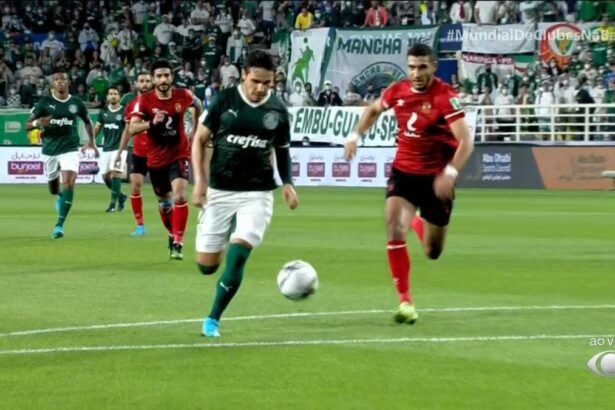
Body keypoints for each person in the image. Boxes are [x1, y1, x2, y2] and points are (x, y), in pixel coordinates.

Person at [343, 43, 474, 325]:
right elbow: (374, 109)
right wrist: (355, 135)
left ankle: (418, 222)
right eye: (412, 67)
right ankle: (405, 301)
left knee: (433, 252)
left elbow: (465, 142)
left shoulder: (444, 97)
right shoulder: (397, 90)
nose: (416, 73)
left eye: (422, 67)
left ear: (434, 67)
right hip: (404, 173)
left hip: (436, 180)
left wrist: (450, 174)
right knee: (392, 226)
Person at [191, 49, 299, 337]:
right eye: (256, 81)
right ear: (244, 75)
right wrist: (200, 182)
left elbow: (283, 150)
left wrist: (287, 183)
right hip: (220, 190)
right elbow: (199, 140)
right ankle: (226, 233)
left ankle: (213, 319)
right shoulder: (223, 100)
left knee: (238, 255)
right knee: (206, 267)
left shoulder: (277, 110)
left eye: (268, 83)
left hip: (258, 192)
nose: (261, 88)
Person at [129, 60, 202, 259]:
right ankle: (171, 234)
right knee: (165, 202)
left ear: (172, 77)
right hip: (155, 159)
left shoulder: (184, 95)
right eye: (159, 76)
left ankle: (178, 241)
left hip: (179, 153)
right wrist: (152, 123)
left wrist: (195, 131)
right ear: (153, 79)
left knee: (179, 195)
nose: (163, 79)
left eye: (166, 75)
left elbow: (198, 104)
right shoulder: (144, 101)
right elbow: (132, 128)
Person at [25, 69, 98, 239]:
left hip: (70, 148)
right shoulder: (44, 102)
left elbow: (87, 121)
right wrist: (38, 122)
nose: (59, 82)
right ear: (52, 84)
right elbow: (27, 125)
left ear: (68, 83)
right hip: (50, 149)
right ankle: (59, 196)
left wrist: (92, 142)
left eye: (63, 79)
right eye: (56, 80)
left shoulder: (76, 103)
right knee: (53, 188)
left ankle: (59, 225)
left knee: (69, 183)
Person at [116, 73, 153, 236]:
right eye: (142, 81)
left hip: (159, 151)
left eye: (147, 81)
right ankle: (140, 225)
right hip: (139, 152)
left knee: (164, 192)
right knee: (135, 185)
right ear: (136, 84)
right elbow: (127, 130)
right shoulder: (130, 106)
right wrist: (120, 152)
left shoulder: (158, 102)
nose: (144, 84)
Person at [91, 86, 129, 212]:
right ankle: (121, 196)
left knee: (115, 173)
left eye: (115, 94)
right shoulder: (103, 112)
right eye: (110, 94)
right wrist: (91, 141)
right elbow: (97, 128)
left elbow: (128, 130)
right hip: (106, 148)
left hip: (120, 148)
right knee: (105, 177)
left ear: (119, 96)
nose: (113, 96)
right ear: (107, 97)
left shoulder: (124, 112)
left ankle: (113, 205)